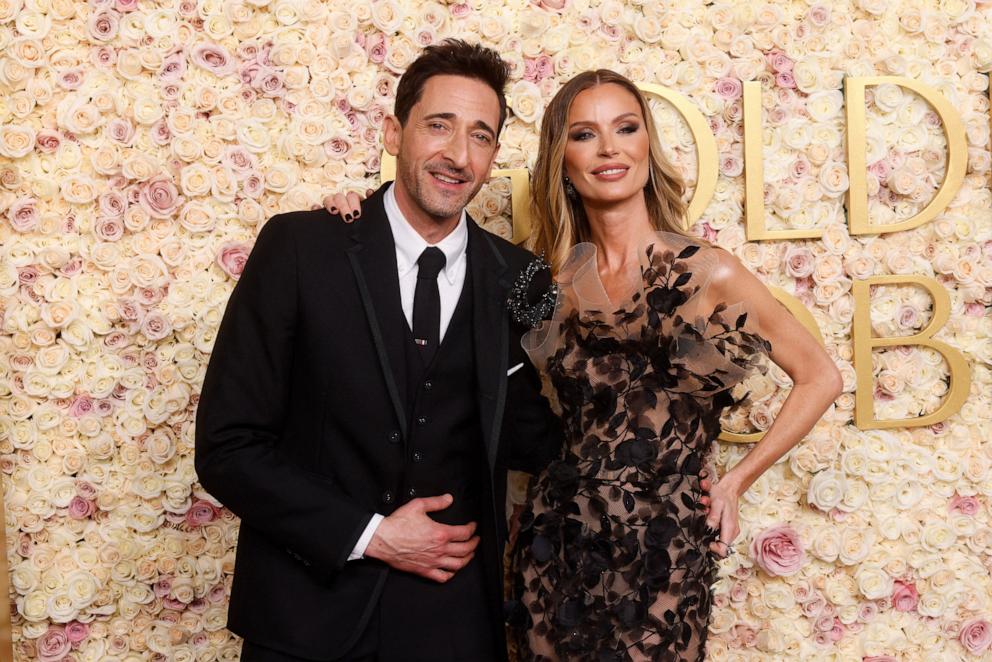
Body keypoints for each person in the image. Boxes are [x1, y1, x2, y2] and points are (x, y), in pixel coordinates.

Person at [329, 68, 843, 661]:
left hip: (665, 546)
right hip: (555, 541)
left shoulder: (710, 271)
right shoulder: (540, 282)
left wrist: (735, 482)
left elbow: (820, 376)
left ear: (647, 144)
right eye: (583, 135)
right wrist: (353, 210)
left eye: (625, 128)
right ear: (562, 159)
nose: (608, 149)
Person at [195, 40, 567, 662]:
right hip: (306, 617)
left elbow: (533, 437)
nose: (457, 155)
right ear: (394, 133)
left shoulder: (518, 277)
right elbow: (228, 447)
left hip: (454, 625)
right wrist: (372, 536)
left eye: (480, 136)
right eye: (438, 126)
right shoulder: (300, 248)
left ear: (495, 155)